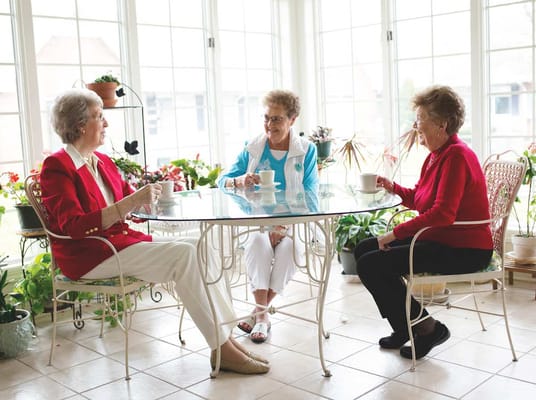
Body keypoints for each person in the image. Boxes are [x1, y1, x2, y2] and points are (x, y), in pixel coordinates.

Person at [41, 88, 269, 375]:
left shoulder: (103, 162)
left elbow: (132, 206)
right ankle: (221, 349)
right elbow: (73, 225)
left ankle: (227, 339)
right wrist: (133, 201)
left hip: (118, 244)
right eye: (100, 117)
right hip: (88, 255)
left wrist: (157, 198)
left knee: (201, 244)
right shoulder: (57, 166)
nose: (106, 123)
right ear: (80, 125)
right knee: (184, 255)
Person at [354, 85, 493, 360]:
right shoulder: (437, 155)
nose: (416, 130)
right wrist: (394, 187)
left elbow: (443, 214)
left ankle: (428, 329)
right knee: (363, 251)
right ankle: (406, 326)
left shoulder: (457, 156)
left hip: (464, 249)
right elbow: (421, 199)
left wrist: (393, 234)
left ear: (441, 124)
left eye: (420, 122)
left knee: (371, 263)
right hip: (441, 239)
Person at [218, 89, 318, 343]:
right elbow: (222, 181)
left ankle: (258, 313)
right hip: (257, 220)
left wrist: (283, 226)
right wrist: (239, 181)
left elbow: (311, 196)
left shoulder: (306, 150)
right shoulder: (253, 149)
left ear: (292, 120)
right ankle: (263, 317)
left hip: (295, 221)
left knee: (289, 249)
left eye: (277, 119)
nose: (269, 125)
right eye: (266, 118)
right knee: (257, 242)